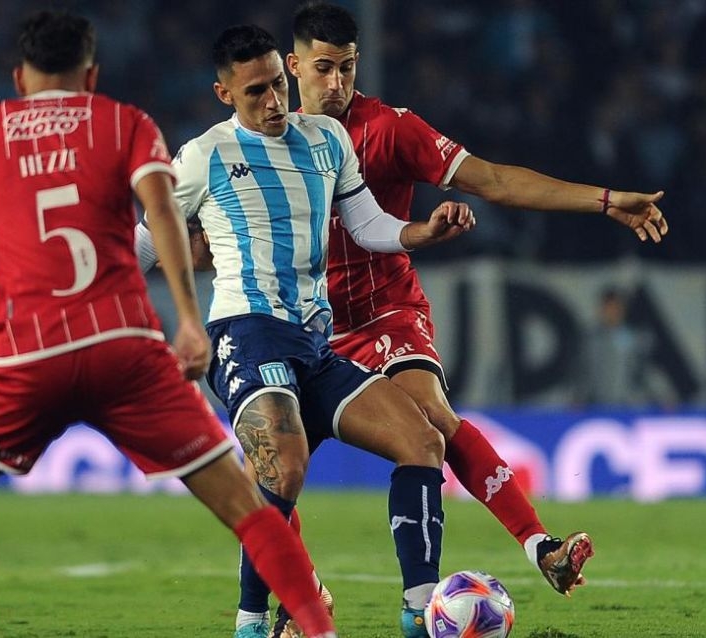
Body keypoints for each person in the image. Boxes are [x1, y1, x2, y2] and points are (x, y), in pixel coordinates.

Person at [0, 11, 339, 638]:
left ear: (19, 78)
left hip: (28, 354)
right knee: (244, 499)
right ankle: (318, 629)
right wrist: (187, 319)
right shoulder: (124, 122)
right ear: (91, 75)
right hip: (126, 350)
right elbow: (162, 211)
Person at [226, 3, 672, 636]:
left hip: (384, 313)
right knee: (267, 474)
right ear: (293, 68)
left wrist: (602, 201)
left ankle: (528, 551)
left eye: (347, 67)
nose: (337, 82)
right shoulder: (263, 138)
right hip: (305, 328)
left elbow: (493, 180)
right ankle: (305, 594)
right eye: (323, 68)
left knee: (430, 418)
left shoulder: (390, 129)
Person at [135, 24, 476, 638]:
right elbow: (143, 245)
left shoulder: (325, 139)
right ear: (224, 94)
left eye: (278, 85)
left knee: (423, 442)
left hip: (315, 343)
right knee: (284, 466)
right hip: (246, 332)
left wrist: (422, 233)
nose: (273, 102)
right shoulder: (203, 155)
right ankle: (251, 622)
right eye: (255, 92)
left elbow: (368, 224)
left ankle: (421, 612)